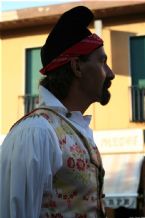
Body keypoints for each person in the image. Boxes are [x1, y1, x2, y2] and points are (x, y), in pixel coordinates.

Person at [0, 6, 115, 218]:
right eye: (102, 61)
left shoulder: (73, 129)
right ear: (77, 67)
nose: (111, 73)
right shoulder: (37, 132)